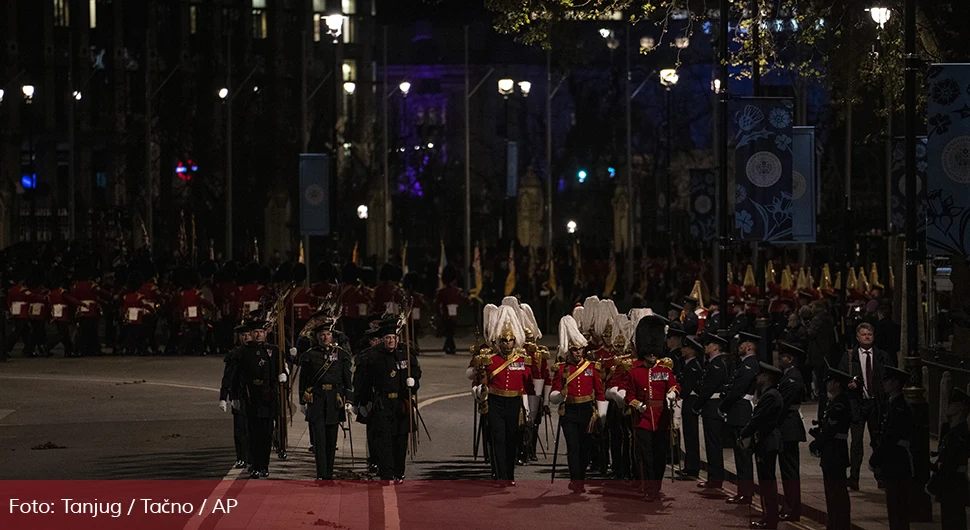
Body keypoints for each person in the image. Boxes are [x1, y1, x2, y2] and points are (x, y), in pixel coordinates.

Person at [618, 315, 680, 502]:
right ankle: (649, 487)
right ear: (644, 351)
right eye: (650, 353)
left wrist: (672, 393)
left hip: (661, 419)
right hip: (643, 420)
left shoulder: (665, 371)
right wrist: (638, 405)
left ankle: (656, 485)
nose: (652, 356)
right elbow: (629, 395)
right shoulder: (635, 372)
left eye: (654, 353)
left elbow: (675, 386)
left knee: (660, 456)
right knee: (646, 457)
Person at [471, 304, 531, 485]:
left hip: (513, 402)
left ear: (515, 341)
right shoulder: (489, 359)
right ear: (499, 341)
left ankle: (509, 475)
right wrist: (481, 392)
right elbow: (479, 382)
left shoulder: (521, 359)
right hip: (495, 403)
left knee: (512, 439)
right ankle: (500, 474)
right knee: (498, 438)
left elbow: (527, 385)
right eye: (504, 341)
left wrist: (528, 408)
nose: (507, 344)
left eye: (510, 340)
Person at [355, 321, 421, 483]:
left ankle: (399, 471)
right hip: (382, 403)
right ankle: (386, 473)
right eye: (388, 338)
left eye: (394, 337)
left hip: (401, 402)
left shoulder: (405, 355)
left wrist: (414, 383)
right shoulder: (374, 357)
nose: (391, 341)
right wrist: (362, 403)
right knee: (384, 440)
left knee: (400, 439)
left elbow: (416, 372)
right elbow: (364, 382)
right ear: (383, 340)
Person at [549, 314, 607, 493]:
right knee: (573, 446)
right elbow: (553, 393)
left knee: (585, 447)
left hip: (587, 410)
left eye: (580, 349)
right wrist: (560, 395)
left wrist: (602, 416)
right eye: (574, 350)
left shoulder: (591, 367)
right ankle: (576, 480)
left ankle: (581, 475)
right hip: (570, 411)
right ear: (569, 350)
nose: (578, 353)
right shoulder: (561, 369)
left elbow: (600, 393)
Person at [838, 321, 896, 490]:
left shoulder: (881, 356)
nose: (867, 337)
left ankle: (880, 475)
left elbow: (890, 375)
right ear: (857, 337)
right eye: (864, 334)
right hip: (857, 403)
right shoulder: (850, 356)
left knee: (877, 440)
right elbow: (841, 376)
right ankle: (854, 477)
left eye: (869, 334)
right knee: (856, 442)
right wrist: (849, 384)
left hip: (876, 404)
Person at [231, 323, 287, 478]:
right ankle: (255, 466)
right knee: (253, 434)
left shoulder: (274, 351)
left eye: (261, 332)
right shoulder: (242, 352)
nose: (258, 335)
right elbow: (235, 377)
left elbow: (280, 368)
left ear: (265, 333)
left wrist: (283, 375)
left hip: (268, 396)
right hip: (251, 396)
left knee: (267, 434)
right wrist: (234, 397)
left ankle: (264, 465)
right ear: (251, 333)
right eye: (255, 332)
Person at [298, 323, 354, 481]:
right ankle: (321, 474)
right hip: (316, 399)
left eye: (327, 334)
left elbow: (347, 379)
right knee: (319, 441)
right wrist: (302, 400)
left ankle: (329, 473)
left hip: (334, 401)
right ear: (317, 337)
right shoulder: (309, 355)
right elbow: (304, 380)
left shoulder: (341, 354)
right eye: (321, 335)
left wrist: (349, 400)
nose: (325, 337)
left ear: (332, 336)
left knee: (331, 440)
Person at [740, 362, 785, 529]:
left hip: (768, 442)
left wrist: (744, 432)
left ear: (767, 378)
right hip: (766, 441)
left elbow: (758, 418)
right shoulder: (769, 394)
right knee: (766, 482)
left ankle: (770, 518)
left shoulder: (771, 396)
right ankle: (768, 516)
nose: (757, 378)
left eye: (760, 375)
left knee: (767, 483)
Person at [868, 366, 914, 530]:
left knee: (898, 509)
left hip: (896, 462)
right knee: (894, 508)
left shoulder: (899, 407)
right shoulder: (892, 404)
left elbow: (890, 437)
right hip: (892, 462)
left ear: (895, 383)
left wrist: (875, 459)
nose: (884, 383)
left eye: (887, 380)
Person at [719, 331, 762, 504]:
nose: (738, 348)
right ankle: (743, 491)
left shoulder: (749, 365)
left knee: (743, 456)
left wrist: (723, 406)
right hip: (739, 410)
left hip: (742, 411)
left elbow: (737, 390)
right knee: (740, 456)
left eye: (742, 345)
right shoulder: (745, 365)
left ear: (749, 346)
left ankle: (746, 492)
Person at [809, 366, 853, 530]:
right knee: (831, 492)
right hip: (831, 452)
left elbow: (832, 431)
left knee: (837, 492)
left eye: (830, 381)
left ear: (837, 384)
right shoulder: (836, 402)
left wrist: (817, 443)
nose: (827, 384)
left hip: (835, 453)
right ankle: (834, 523)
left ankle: (839, 525)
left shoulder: (840, 404)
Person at [927, 387, 970, 530]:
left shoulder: (959, 434)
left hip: (953, 486)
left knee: (954, 521)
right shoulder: (953, 431)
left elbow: (950, 464)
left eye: (951, 404)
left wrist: (934, 485)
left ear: (960, 408)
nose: (947, 407)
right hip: (950, 486)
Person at [694, 333, 730, 489]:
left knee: (713, 443)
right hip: (712, 405)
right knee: (712, 443)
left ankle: (715, 478)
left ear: (715, 347)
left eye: (709, 345)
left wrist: (697, 404)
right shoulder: (716, 363)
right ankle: (714, 477)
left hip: (712, 405)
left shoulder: (716, 364)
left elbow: (708, 388)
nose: (705, 347)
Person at [777, 342, 808, 522]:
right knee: (787, 469)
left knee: (790, 471)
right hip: (787, 426)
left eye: (782, 357)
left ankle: (792, 507)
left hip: (789, 426)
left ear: (790, 359)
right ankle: (790, 505)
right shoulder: (788, 375)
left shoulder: (792, 377)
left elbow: (783, 403)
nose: (779, 359)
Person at [220, 322, 252, 469]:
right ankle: (241, 457)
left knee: (254, 428)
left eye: (248, 335)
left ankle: (252, 457)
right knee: (240, 429)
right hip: (238, 395)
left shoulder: (260, 352)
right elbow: (228, 377)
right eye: (243, 336)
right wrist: (223, 397)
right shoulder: (234, 354)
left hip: (256, 395)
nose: (246, 338)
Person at [677, 336, 705, 480]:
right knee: (688, 435)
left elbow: (687, 387)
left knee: (691, 435)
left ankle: (692, 467)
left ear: (691, 350)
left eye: (685, 348)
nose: (682, 350)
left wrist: (677, 394)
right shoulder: (688, 364)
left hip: (691, 400)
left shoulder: (693, 366)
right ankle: (689, 465)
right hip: (688, 400)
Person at [435, 267, 465, 355]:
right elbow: (464, 300)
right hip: (452, 314)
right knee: (450, 331)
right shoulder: (457, 291)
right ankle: (451, 347)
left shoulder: (442, 291)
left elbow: (437, 304)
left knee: (449, 332)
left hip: (446, 314)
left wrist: (438, 313)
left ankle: (448, 347)